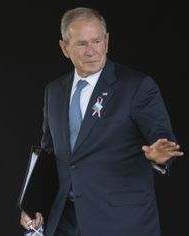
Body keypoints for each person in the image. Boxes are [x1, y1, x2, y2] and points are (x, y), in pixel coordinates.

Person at [20, 7, 184, 236]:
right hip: (66, 221)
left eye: (96, 41)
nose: (91, 51)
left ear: (107, 41)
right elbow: (49, 152)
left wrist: (160, 157)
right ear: (64, 48)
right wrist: (33, 204)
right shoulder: (54, 91)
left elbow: (162, 138)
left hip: (120, 223)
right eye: (81, 44)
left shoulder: (136, 87)